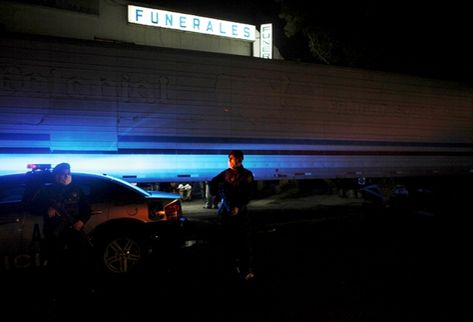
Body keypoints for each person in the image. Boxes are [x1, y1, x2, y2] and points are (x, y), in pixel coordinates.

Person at [33, 162, 92, 276]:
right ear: (56, 176)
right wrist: (47, 209)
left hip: (74, 229)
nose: (67, 176)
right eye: (63, 174)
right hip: (54, 231)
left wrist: (82, 221)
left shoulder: (77, 189)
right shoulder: (47, 191)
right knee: (55, 260)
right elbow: (33, 207)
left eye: (69, 173)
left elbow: (86, 208)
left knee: (81, 258)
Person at [209, 150, 255, 281]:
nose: (229, 161)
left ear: (239, 160)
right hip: (228, 212)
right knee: (229, 242)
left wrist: (238, 207)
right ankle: (234, 269)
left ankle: (245, 269)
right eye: (230, 158)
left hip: (237, 213)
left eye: (232, 159)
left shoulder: (245, 175)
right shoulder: (226, 174)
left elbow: (248, 194)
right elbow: (213, 185)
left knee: (242, 242)